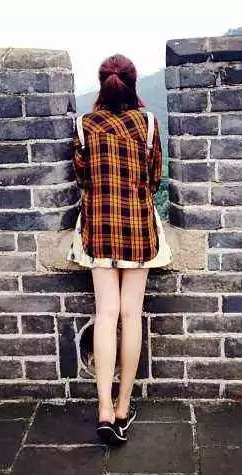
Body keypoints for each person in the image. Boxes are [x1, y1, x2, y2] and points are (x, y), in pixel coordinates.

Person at [67, 54, 172, 445]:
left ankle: (103, 411)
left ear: (102, 83)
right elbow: (154, 179)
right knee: (131, 316)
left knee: (106, 315)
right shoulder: (148, 124)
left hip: (98, 230)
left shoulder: (84, 126)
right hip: (138, 231)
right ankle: (124, 408)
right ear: (132, 83)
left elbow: (82, 178)